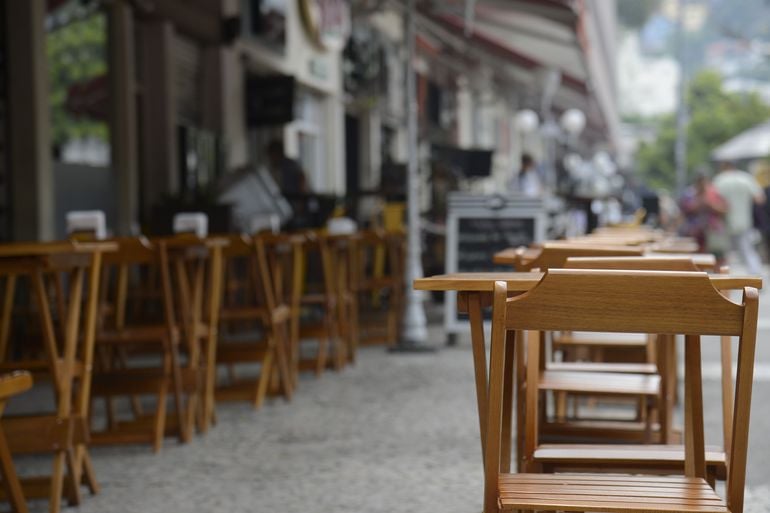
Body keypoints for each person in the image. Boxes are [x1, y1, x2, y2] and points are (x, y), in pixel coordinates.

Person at [713, 161, 766, 275]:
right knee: (747, 251)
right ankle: (756, 277)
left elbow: (713, 200)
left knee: (725, 254)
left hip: (725, 222)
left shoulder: (719, 180)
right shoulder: (746, 178)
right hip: (744, 221)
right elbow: (760, 198)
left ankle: (724, 280)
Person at [678, 170, 728, 264]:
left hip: (713, 232)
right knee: (695, 260)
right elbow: (684, 210)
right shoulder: (689, 194)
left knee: (717, 258)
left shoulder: (714, 193)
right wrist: (698, 204)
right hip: (694, 233)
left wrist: (710, 205)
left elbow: (724, 209)